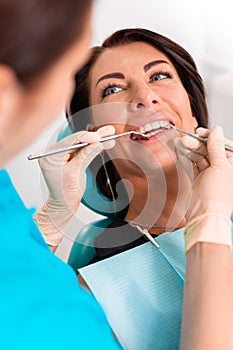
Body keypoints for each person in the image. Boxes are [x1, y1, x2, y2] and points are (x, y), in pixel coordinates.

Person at [44, 28, 232, 349]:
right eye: (113, 89)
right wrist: (51, 222)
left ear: (191, 103)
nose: (145, 96)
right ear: (93, 134)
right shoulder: (90, 276)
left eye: (159, 76)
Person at [0, 1, 120, 349]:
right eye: (72, 70)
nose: (145, 99)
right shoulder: (50, 319)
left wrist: (51, 220)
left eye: (160, 76)